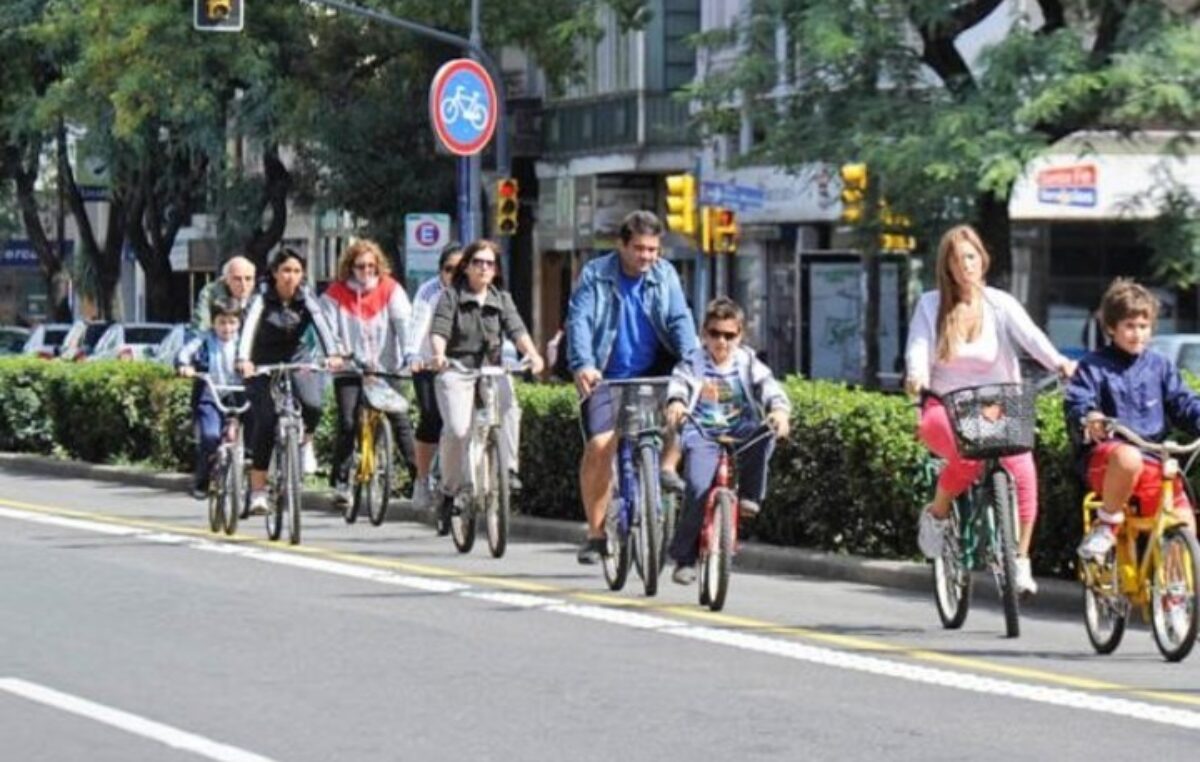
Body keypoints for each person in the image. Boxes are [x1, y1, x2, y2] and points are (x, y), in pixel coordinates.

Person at [905, 224, 1075, 596]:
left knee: (1023, 466)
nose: (965, 265)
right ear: (946, 267)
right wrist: (916, 375)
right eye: (957, 259)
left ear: (983, 260)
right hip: (945, 405)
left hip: (997, 404)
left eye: (971, 256)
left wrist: (1060, 362)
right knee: (967, 455)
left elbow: (1032, 338)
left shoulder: (1000, 302)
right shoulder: (931, 304)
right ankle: (937, 515)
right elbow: (918, 347)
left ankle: (1021, 559)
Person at [566, 210, 698, 564]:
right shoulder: (596, 274)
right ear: (621, 245)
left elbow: (678, 318)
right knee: (600, 445)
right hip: (605, 376)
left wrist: (693, 360)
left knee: (681, 414)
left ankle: (666, 470)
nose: (646, 257)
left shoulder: (664, 274)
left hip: (653, 373)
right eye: (639, 248)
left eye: (653, 249)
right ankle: (595, 534)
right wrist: (584, 363)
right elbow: (580, 320)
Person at [1066, 279, 1200, 560]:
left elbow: (1183, 403)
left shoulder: (1160, 365)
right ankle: (1106, 525)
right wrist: (1090, 416)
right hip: (1108, 459)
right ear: (1112, 327)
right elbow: (1079, 400)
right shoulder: (1093, 365)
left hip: (1153, 459)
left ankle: (1174, 595)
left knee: (1185, 523)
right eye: (1129, 326)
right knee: (1128, 457)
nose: (1137, 333)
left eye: (1143, 326)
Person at [662, 297, 790, 584]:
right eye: (715, 334)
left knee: (765, 432)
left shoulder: (747, 361)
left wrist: (780, 412)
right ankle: (685, 559)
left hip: (739, 429)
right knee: (696, 488)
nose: (722, 342)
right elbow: (678, 386)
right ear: (704, 334)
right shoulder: (691, 363)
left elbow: (769, 387)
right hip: (702, 433)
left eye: (729, 335)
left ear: (740, 335)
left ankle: (750, 496)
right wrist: (677, 403)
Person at [428, 239, 544, 527]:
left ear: (496, 270)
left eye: (489, 263)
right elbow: (440, 329)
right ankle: (449, 490)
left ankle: (508, 469)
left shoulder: (501, 298)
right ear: (466, 267)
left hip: (490, 369)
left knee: (508, 405)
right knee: (457, 429)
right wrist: (439, 355)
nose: (483, 268)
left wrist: (533, 354)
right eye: (477, 262)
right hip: (457, 368)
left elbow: (517, 329)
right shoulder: (451, 296)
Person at [237, 248, 345, 514]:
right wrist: (244, 360)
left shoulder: (305, 296)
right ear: (274, 273)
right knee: (267, 420)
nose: (291, 277)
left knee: (313, 404)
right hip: (262, 362)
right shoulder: (261, 298)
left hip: (296, 357)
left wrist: (332, 354)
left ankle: (305, 441)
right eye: (285, 271)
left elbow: (321, 325)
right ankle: (258, 491)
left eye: (297, 271)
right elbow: (248, 328)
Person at [321, 239, 417, 507]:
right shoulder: (335, 294)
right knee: (349, 422)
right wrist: (336, 354)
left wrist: (409, 355)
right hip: (349, 369)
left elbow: (404, 324)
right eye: (360, 266)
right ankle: (341, 481)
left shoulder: (391, 290)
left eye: (371, 266)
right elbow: (327, 330)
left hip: (386, 369)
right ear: (350, 267)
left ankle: (419, 481)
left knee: (400, 421)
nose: (366, 272)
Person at [405, 241, 464, 526]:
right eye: (449, 269)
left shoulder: (477, 291)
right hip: (430, 365)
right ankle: (423, 477)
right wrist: (414, 355)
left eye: (461, 269)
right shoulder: (429, 292)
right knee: (431, 417)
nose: (455, 274)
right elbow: (417, 325)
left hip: (464, 368)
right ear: (441, 270)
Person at [176, 296, 244, 500]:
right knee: (210, 437)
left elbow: (259, 359)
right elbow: (184, 354)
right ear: (213, 322)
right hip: (211, 395)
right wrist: (184, 366)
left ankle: (252, 481)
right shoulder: (204, 339)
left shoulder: (244, 342)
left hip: (238, 395)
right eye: (222, 322)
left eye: (232, 322)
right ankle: (203, 480)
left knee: (256, 436)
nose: (227, 328)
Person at [193, 256, 257, 331]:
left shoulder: (261, 295)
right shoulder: (210, 293)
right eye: (237, 279)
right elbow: (201, 327)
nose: (244, 284)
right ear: (226, 280)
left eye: (248, 278)